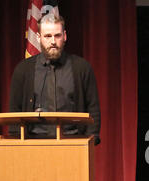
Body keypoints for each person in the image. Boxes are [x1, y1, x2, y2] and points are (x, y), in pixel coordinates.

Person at [9, 14, 101, 145]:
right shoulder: (23, 70)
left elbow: (93, 108)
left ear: (64, 36)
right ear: (38, 38)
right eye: (47, 36)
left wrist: (91, 140)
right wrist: (17, 144)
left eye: (57, 35)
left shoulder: (82, 68)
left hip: (74, 144)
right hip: (33, 145)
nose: (53, 41)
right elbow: (14, 112)